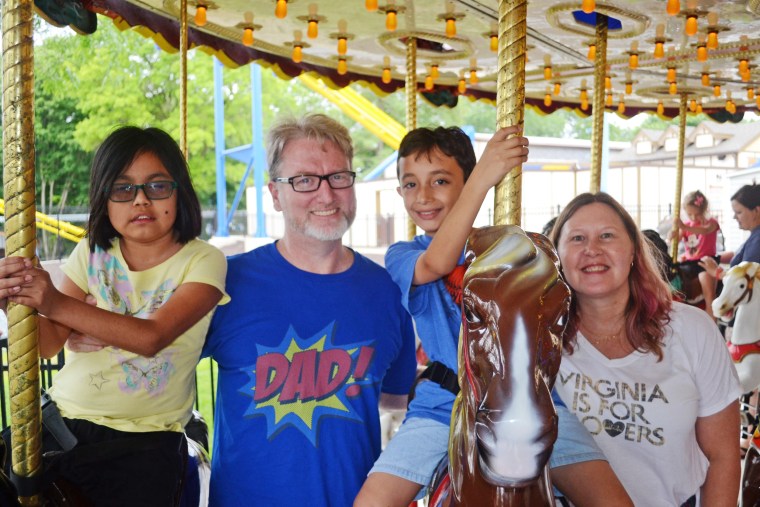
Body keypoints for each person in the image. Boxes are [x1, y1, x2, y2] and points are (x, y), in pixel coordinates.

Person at [355, 127, 632, 507]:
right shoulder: (404, 255)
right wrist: (485, 177)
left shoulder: (517, 251)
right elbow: (437, 262)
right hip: (443, 410)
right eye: (409, 184)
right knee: (371, 503)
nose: (423, 196)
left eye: (440, 180)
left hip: (531, 404)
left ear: (464, 183)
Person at [0, 126, 228, 506]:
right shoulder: (92, 252)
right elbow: (49, 341)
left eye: (157, 186)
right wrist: (15, 300)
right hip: (60, 423)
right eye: (122, 189)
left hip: (143, 444)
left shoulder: (202, 260)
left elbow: (152, 337)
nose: (140, 200)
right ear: (104, 199)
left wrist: (54, 301)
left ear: (180, 192)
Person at [202, 114, 416, 507]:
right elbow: (158, 371)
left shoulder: (388, 291)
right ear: (274, 193)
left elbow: (395, 403)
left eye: (338, 177)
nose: (326, 194)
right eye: (304, 180)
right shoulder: (226, 284)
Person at [550, 192, 741, 506]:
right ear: (556, 256)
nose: (592, 250)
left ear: (633, 253)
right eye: (577, 238)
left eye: (607, 236)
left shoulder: (691, 329)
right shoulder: (542, 339)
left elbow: (722, 456)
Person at [673, 190, 720, 318]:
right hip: (689, 263)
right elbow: (675, 238)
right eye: (689, 214)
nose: (693, 218)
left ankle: (712, 322)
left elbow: (704, 231)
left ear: (704, 210)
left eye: (697, 214)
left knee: (708, 293)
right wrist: (672, 235)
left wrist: (684, 227)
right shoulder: (686, 225)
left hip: (706, 262)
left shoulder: (711, 223)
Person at [700, 183, 760, 283]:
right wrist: (717, 258)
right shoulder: (754, 236)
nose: (734, 217)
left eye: (739, 212)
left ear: (757, 211)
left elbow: (746, 280)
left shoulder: (757, 240)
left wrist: (717, 272)